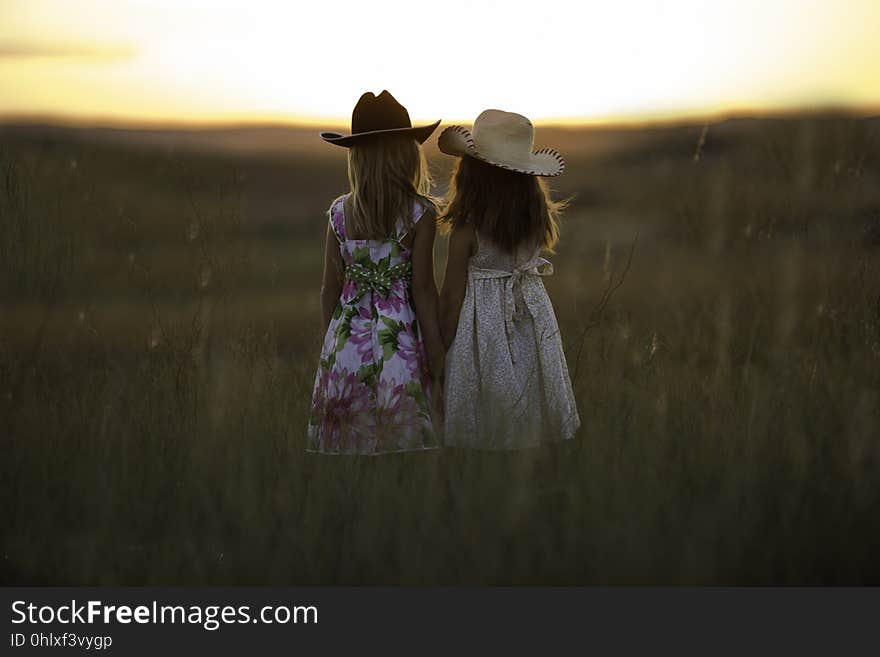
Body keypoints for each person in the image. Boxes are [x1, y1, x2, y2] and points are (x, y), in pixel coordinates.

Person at [307, 91, 444, 454]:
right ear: (406, 155)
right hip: (398, 346)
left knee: (349, 449)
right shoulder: (420, 214)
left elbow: (328, 289)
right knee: (402, 446)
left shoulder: (339, 213)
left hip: (345, 343)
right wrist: (438, 357)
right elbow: (425, 291)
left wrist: (331, 348)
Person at [437, 109, 580, 449]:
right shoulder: (533, 221)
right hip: (532, 316)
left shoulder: (466, 231)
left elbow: (453, 297)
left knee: (487, 410)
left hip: (482, 329)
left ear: (470, 174)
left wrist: (438, 348)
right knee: (533, 397)